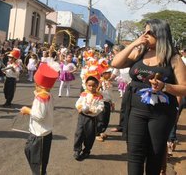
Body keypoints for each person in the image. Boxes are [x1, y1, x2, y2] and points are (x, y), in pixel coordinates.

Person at [111, 19, 186, 175]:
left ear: (160, 34)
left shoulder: (174, 58)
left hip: (161, 114)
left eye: (149, 32)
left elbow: (184, 88)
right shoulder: (140, 52)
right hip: (136, 111)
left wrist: (165, 86)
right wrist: (134, 43)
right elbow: (116, 63)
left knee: (155, 154)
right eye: (143, 32)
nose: (144, 36)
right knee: (134, 153)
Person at [20, 62, 59, 175]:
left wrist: (27, 111)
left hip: (40, 135)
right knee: (31, 154)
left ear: (39, 85)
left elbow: (39, 116)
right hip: (40, 133)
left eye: (36, 84)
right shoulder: (48, 95)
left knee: (38, 162)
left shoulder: (41, 97)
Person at [73, 74, 104, 161]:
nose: (91, 87)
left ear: (97, 86)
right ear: (86, 85)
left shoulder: (99, 96)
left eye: (94, 86)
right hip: (82, 117)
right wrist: (79, 107)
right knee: (79, 133)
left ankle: (87, 151)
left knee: (90, 135)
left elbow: (100, 107)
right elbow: (78, 102)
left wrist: (91, 111)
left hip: (91, 118)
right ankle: (77, 150)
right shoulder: (84, 94)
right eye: (89, 85)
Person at [96, 68, 113, 142]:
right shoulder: (99, 82)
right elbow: (95, 91)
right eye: (108, 73)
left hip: (108, 102)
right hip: (101, 102)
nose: (110, 74)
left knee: (106, 119)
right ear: (103, 74)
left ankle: (102, 131)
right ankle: (97, 134)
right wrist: (99, 86)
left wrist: (112, 102)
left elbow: (110, 93)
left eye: (110, 73)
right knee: (101, 119)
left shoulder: (108, 81)